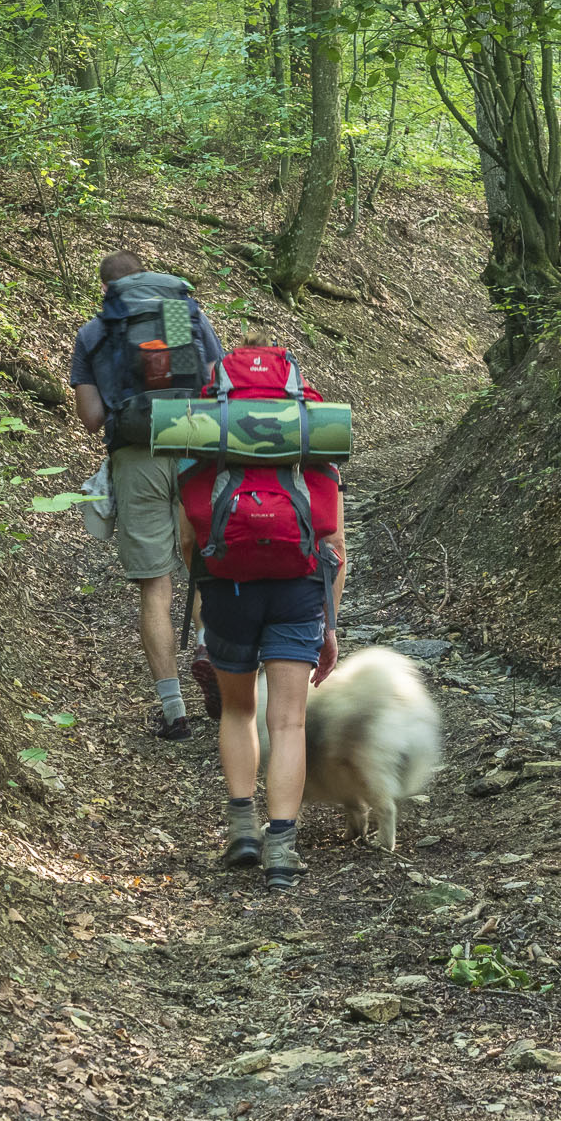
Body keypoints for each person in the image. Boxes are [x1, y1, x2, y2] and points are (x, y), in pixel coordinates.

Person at [175, 340, 346, 890]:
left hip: (229, 587)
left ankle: (242, 829)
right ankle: (281, 849)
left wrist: (206, 587)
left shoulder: (204, 428)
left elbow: (187, 538)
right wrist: (331, 624)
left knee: (237, 711)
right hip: (298, 587)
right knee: (289, 721)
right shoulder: (311, 431)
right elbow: (336, 542)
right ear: (292, 385)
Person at [69, 251, 225, 739]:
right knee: (205, 564)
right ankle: (207, 646)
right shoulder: (185, 312)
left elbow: (91, 417)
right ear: (147, 276)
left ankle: (173, 709)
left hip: (136, 457)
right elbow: (220, 378)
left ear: (106, 288)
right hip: (196, 444)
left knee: (155, 586)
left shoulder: (96, 331)